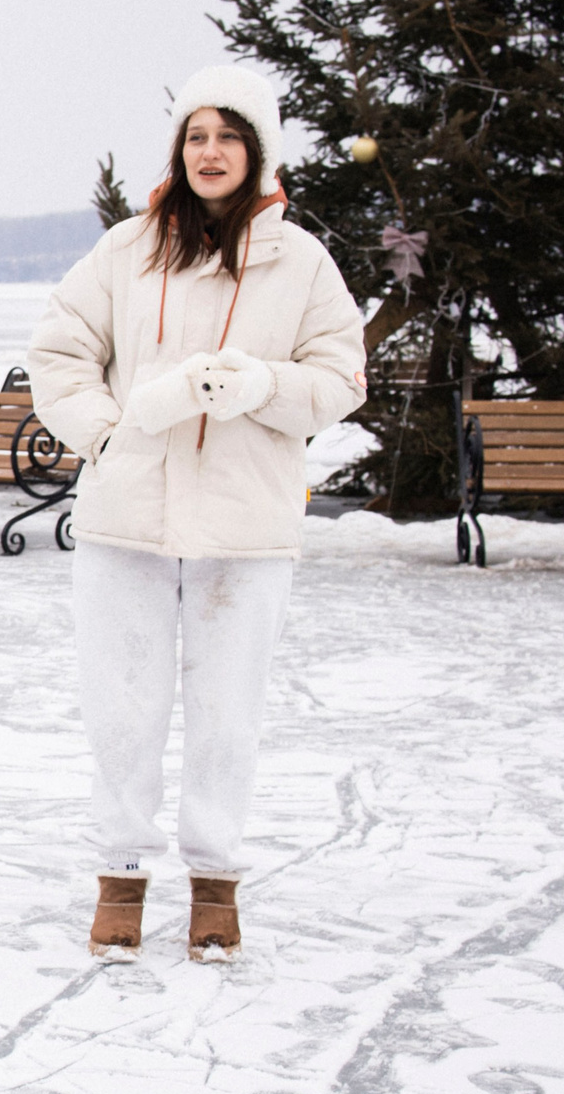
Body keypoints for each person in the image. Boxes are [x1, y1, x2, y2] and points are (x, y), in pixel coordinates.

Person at [26, 65, 366, 963]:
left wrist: (266, 385)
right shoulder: (129, 249)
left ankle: (216, 882)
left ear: (259, 151)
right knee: (123, 706)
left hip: (246, 530)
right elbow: (60, 352)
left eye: (228, 136)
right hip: (126, 522)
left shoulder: (304, 263)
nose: (210, 152)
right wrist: (109, 433)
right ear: (179, 152)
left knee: (227, 710)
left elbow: (341, 377)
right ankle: (121, 873)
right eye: (196, 136)